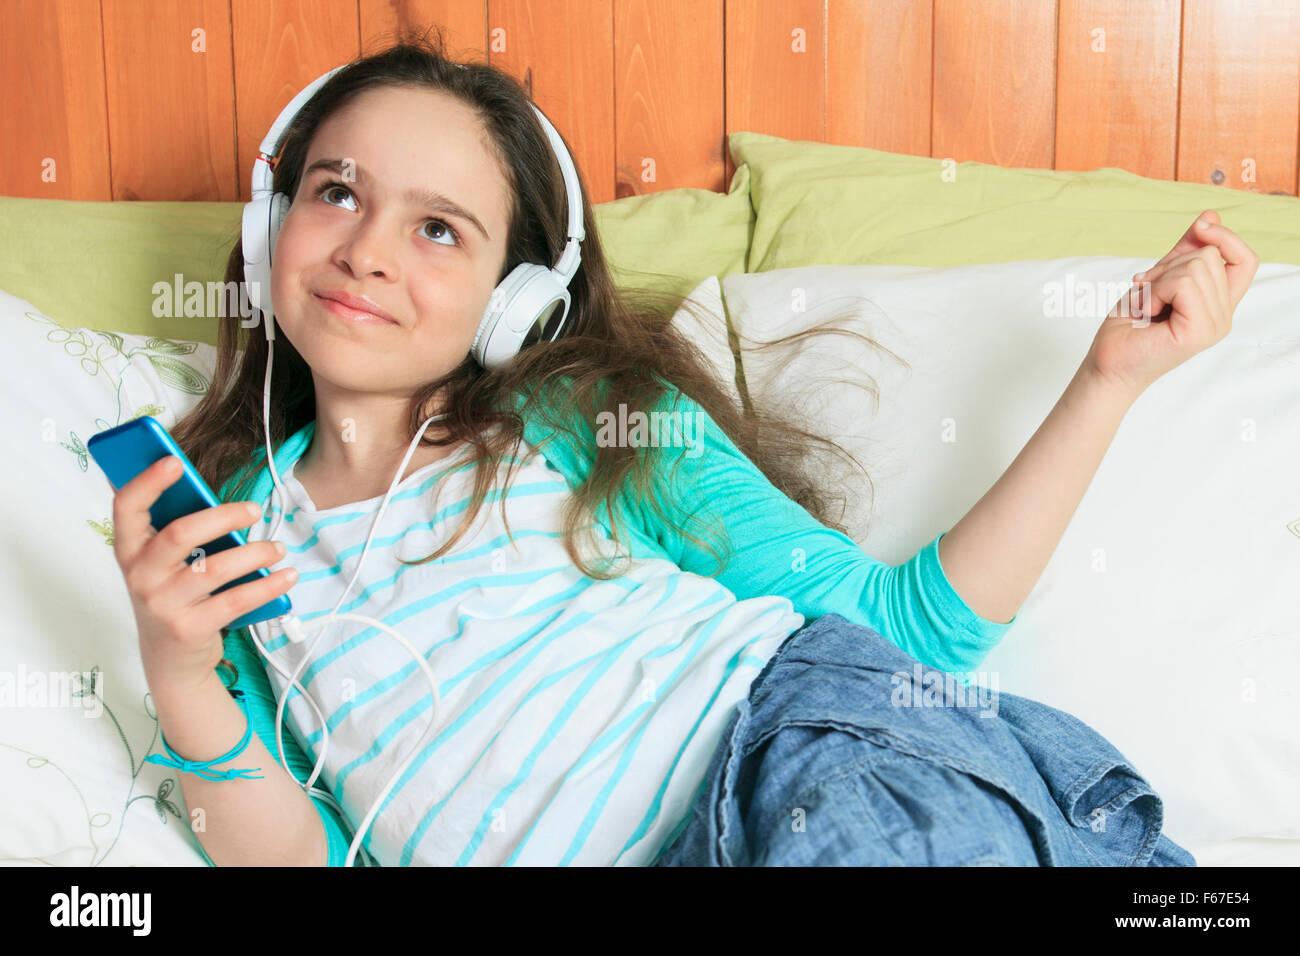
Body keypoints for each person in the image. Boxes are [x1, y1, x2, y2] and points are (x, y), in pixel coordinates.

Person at [110, 28, 1256, 867]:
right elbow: (294, 858)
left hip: (796, 762)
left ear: (513, 299)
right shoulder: (225, 535)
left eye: (437, 229)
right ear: (270, 229)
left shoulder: (577, 418)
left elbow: (905, 633)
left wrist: (1107, 378)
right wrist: (176, 664)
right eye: (334, 192)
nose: (366, 249)